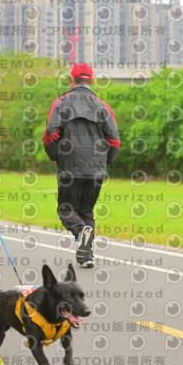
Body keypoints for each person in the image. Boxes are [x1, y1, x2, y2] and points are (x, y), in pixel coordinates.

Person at [43, 63, 120, 268]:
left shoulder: (61, 103)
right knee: (86, 211)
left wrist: (56, 157)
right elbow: (114, 141)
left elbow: (50, 134)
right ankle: (87, 257)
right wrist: (104, 162)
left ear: (71, 79)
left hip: (69, 166)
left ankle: (80, 232)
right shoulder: (103, 107)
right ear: (91, 81)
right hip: (96, 168)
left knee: (66, 209)